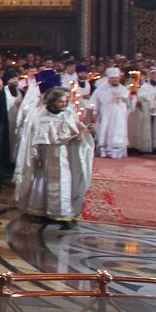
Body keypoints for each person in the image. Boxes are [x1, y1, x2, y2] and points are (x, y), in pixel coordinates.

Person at [13, 86, 94, 228]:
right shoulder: (42, 118)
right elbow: (34, 142)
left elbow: (77, 133)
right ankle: (42, 211)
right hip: (46, 157)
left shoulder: (68, 115)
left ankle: (62, 213)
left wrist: (84, 133)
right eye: (61, 101)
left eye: (66, 101)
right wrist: (35, 158)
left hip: (65, 156)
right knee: (42, 183)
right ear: (52, 102)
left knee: (65, 183)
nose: (64, 104)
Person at [90, 67, 133, 159]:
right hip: (106, 114)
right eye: (112, 78)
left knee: (118, 131)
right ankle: (104, 151)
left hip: (119, 115)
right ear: (108, 78)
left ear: (119, 78)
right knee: (105, 129)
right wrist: (94, 111)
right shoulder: (101, 89)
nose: (114, 80)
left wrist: (133, 99)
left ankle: (118, 152)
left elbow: (130, 105)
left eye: (116, 78)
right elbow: (94, 101)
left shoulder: (124, 89)